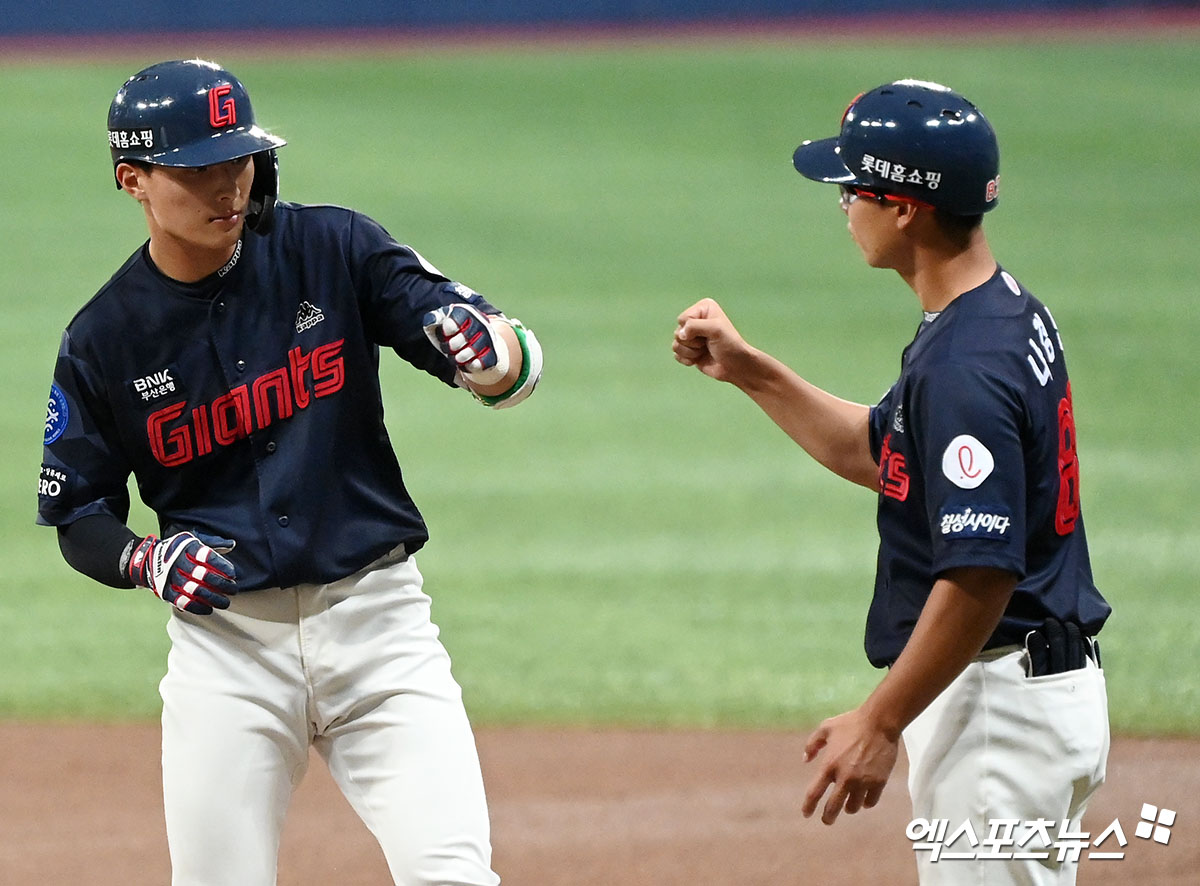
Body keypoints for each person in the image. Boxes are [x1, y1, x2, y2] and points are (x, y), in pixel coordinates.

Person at [37, 58, 543, 886]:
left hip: (379, 629)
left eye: (239, 159)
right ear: (133, 179)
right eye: (198, 169)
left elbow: (488, 349)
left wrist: (494, 355)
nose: (228, 186)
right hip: (227, 654)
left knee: (452, 875)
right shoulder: (104, 336)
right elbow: (78, 514)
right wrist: (145, 559)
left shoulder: (334, 247)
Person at [673, 79, 1110, 884]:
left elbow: (982, 572)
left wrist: (881, 719)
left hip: (1000, 714)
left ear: (906, 208)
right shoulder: (1000, 312)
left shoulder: (966, 366)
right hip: (1023, 696)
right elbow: (888, 456)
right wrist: (751, 372)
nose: (843, 206)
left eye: (853, 189)